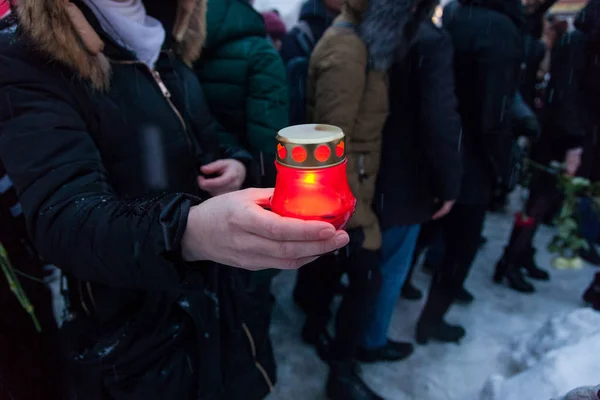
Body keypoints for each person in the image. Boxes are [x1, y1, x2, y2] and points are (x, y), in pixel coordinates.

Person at [0, 1, 349, 398]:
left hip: (223, 305)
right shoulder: (26, 52)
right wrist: (189, 231)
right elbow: (63, 219)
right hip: (144, 333)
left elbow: (200, 133)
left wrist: (233, 164)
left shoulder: (161, 29)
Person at [295, 0, 434, 398]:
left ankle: (315, 327)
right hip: (346, 196)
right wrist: (356, 214)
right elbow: (329, 146)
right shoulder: (347, 49)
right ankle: (342, 375)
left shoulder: (358, 41)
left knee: (333, 268)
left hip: (352, 189)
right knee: (366, 280)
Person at [416, 0, 525, 345]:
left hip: (438, 140)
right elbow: (494, 115)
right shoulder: (499, 28)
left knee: (424, 229)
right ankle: (431, 321)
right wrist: (507, 168)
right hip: (472, 156)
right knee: (460, 248)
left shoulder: (453, 13)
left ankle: (403, 291)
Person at [359, 16, 462, 363]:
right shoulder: (428, 40)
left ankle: (354, 330)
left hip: (371, 164)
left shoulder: (370, 27)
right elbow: (440, 117)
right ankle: (370, 340)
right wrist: (449, 182)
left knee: (372, 260)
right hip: (406, 175)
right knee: (391, 266)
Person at [494, 0, 599, 293]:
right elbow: (564, 97)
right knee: (539, 200)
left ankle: (521, 255)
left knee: (548, 199)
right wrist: (574, 142)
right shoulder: (576, 44)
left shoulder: (584, 45)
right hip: (560, 138)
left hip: (574, 136)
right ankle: (510, 260)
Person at [195, 0, 289, 188]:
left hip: (183, 191)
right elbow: (268, 144)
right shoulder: (261, 53)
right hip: (241, 185)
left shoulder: (172, 41)